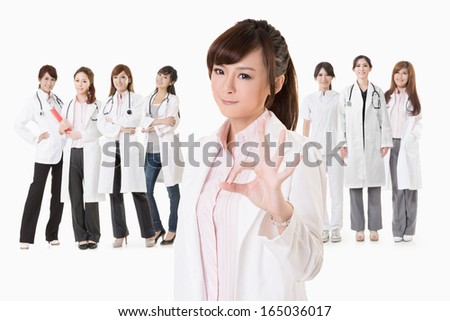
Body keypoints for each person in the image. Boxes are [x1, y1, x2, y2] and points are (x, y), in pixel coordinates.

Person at [174, 19, 325, 301]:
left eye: (244, 76)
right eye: (219, 71)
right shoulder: (202, 152)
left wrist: (280, 212)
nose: (226, 87)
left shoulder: (300, 154)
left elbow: (309, 266)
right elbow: (188, 260)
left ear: (276, 83)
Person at [97, 64, 156, 248]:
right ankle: (120, 234)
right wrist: (121, 128)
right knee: (114, 192)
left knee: (138, 190)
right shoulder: (107, 102)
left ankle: (149, 233)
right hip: (110, 148)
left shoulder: (138, 100)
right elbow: (101, 125)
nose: (118, 81)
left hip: (129, 146)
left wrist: (112, 123)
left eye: (122, 77)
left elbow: (136, 120)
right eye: (115, 77)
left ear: (129, 79)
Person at [339, 55, 393, 242]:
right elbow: (341, 121)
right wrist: (342, 143)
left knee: (374, 187)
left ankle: (374, 228)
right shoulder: (346, 93)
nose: (361, 68)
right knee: (354, 187)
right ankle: (358, 229)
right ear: (353, 69)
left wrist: (385, 141)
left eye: (365, 65)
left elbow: (383, 119)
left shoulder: (377, 91)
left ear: (370, 68)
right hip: (352, 146)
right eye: (358, 66)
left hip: (372, 145)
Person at [15, 65, 65, 249]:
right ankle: (25, 237)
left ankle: (52, 234)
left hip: (61, 150)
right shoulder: (33, 101)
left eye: (52, 80)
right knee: (36, 193)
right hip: (44, 153)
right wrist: (36, 138)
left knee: (58, 194)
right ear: (39, 79)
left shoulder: (58, 100)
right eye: (46, 79)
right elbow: (18, 124)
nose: (49, 83)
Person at [60, 67, 105, 250]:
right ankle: (80, 236)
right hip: (72, 154)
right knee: (76, 195)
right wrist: (62, 130)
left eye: (84, 81)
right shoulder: (68, 105)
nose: (80, 84)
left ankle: (93, 235)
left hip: (90, 151)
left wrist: (82, 134)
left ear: (90, 83)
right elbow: (62, 130)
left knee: (91, 195)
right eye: (77, 80)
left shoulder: (98, 105)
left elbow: (100, 129)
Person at [300, 62, 344, 243]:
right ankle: (324, 227)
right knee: (319, 191)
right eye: (320, 75)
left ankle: (336, 228)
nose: (323, 78)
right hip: (316, 150)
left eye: (327, 75)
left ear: (332, 77)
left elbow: (345, 123)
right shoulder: (309, 99)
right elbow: (306, 124)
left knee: (336, 190)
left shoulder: (339, 98)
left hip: (335, 148)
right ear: (315, 77)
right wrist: (305, 145)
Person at [141, 66, 183, 246]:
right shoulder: (148, 98)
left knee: (172, 191)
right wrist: (158, 121)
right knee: (146, 191)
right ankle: (157, 227)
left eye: (165, 77)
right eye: (159, 75)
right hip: (150, 151)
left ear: (171, 81)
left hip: (166, 150)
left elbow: (171, 124)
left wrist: (152, 124)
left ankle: (173, 229)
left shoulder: (173, 100)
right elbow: (142, 122)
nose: (160, 79)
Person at [384, 61, 422, 242]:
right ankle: (397, 229)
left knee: (410, 188)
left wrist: (412, 137)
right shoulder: (386, 96)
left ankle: (410, 229)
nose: (400, 76)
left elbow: (419, 123)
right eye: (397, 73)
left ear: (410, 76)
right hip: (391, 145)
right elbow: (381, 122)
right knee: (397, 189)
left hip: (407, 147)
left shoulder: (413, 97)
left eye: (404, 73)